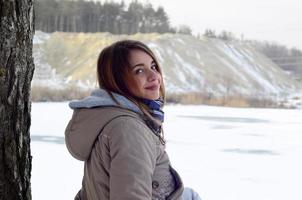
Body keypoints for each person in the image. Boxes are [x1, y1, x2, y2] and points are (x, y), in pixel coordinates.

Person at [65, 40, 201, 200]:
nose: (154, 76)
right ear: (117, 80)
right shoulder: (129, 130)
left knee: (190, 195)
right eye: (139, 71)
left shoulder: (107, 116)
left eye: (153, 67)